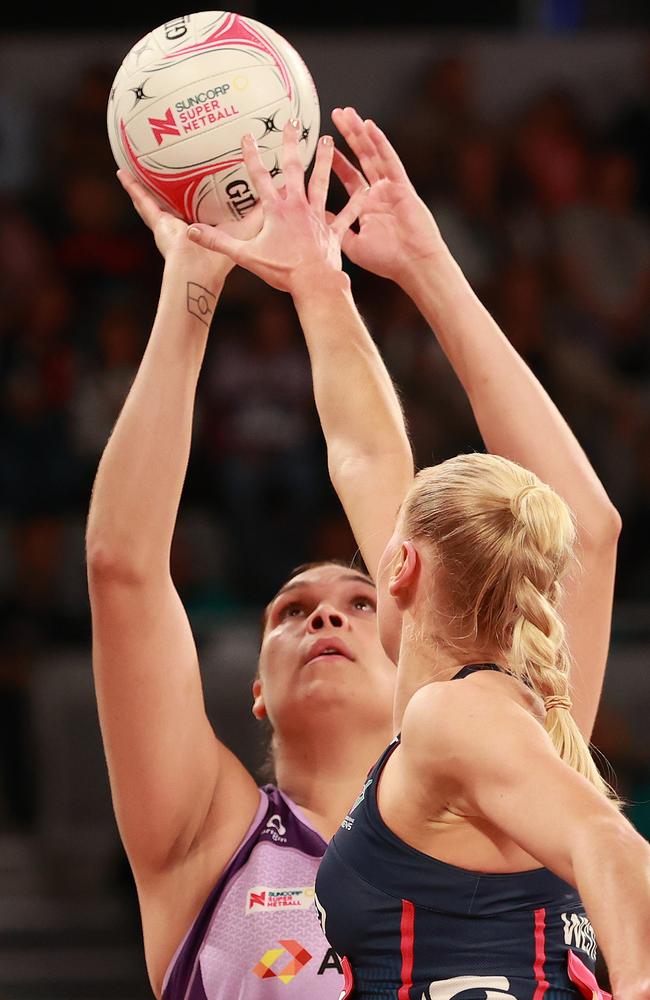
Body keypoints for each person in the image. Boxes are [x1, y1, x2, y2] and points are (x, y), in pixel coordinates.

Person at [88, 112, 619, 1000]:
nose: (325, 612)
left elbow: (580, 535)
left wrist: (421, 269)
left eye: (361, 599)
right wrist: (192, 284)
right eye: (290, 612)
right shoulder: (207, 839)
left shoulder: (512, 776)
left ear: (418, 635)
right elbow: (122, 567)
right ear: (255, 686)